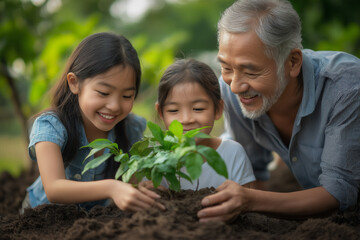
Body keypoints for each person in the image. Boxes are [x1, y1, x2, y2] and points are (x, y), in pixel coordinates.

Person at [197, 0, 360, 222]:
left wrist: (252, 201)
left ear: (292, 62)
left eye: (251, 72)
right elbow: (252, 172)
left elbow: (339, 193)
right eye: (226, 68)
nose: (235, 85)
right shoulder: (233, 92)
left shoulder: (346, 89)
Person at [21, 32, 164, 213]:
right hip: (42, 217)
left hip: (94, 219)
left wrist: (142, 189)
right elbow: (54, 189)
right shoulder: (51, 126)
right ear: (74, 83)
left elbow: (131, 181)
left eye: (127, 96)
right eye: (103, 93)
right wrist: (112, 187)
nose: (114, 106)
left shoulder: (131, 127)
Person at [155, 58, 256, 190]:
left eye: (198, 108)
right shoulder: (154, 158)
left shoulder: (232, 154)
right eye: (173, 110)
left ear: (218, 109)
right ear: (161, 113)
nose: (186, 119)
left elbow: (247, 201)